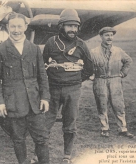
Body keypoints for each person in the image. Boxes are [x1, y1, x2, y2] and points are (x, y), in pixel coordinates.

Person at [0, 13, 50, 164]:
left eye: (19, 26)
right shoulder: (0, 50)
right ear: (8, 27)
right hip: (13, 104)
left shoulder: (34, 49)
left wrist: (45, 98)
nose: (16, 30)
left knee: (42, 139)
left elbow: (42, 76)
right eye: (13, 26)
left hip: (35, 104)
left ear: (25, 27)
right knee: (18, 140)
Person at [42, 9, 93, 164]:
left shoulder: (81, 45)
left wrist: (75, 80)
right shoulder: (51, 42)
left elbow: (89, 69)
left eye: (75, 26)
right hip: (53, 90)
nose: (73, 29)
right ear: (61, 26)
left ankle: (67, 156)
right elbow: (42, 65)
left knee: (70, 124)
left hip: (73, 89)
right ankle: (40, 155)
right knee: (45, 124)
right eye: (69, 26)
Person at [90, 27, 134, 138]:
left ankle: (123, 129)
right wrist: (91, 75)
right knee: (102, 105)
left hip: (115, 80)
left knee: (118, 105)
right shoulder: (94, 52)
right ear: (101, 37)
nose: (109, 37)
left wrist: (123, 73)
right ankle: (105, 129)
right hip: (100, 80)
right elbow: (87, 65)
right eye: (106, 35)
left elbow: (128, 61)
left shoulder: (118, 51)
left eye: (111, 35)